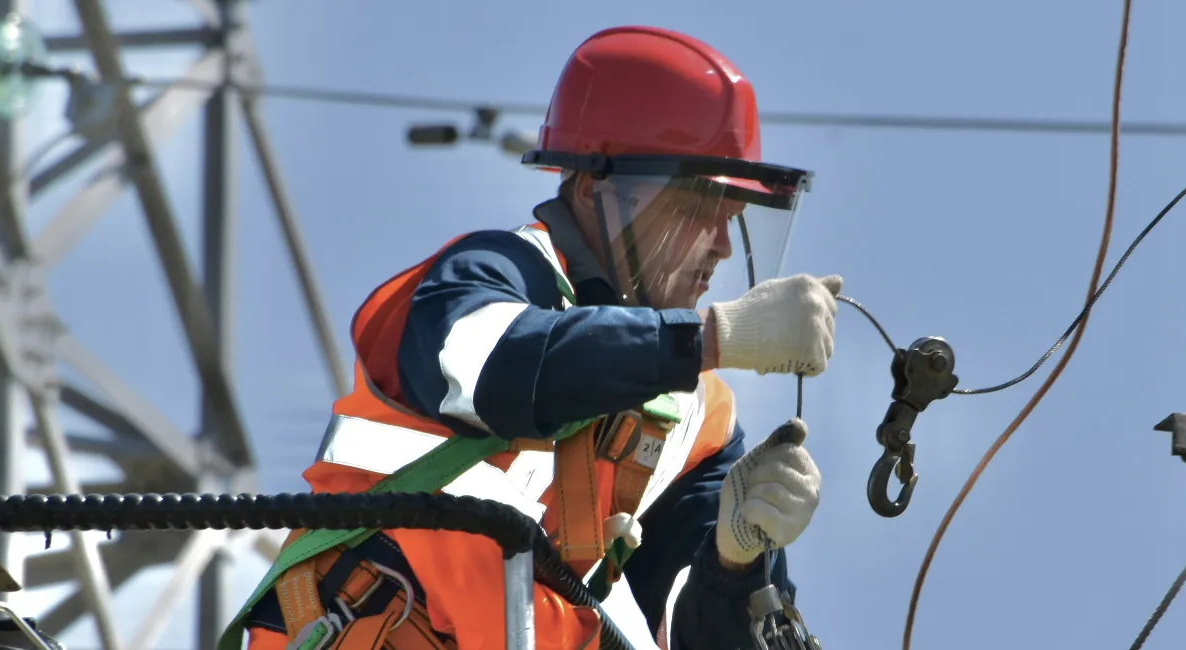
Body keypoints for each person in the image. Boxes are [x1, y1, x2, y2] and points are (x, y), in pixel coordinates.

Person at [230, 24, 840, 650]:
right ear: (594, 191)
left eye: (730, 220)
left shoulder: (698, 422)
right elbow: (497, 371)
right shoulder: (491, 275)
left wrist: (736, 562)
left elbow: (694, 634)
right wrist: (709, 340)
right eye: (693, 209)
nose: (718, 246)